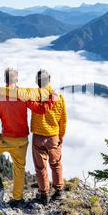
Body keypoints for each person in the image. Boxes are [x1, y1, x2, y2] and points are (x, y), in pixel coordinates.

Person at [0, 68, 56, 208]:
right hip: (22, 139)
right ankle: (17, 199)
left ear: (5, 79)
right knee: (19, 168)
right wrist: (52, 98)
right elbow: (41, 109)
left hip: (6, 139)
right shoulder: (23, 95)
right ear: (17, 79)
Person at [31, 69, 67, 205]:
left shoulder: (34, 95)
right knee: (56, 164)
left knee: (40, 167)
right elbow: (63, 119)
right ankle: (59, 192)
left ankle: (43, 193)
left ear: (37, 81)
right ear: (49, 80)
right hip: (53, 136)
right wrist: (61, 136)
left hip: (38, 137)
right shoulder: (59, 97)